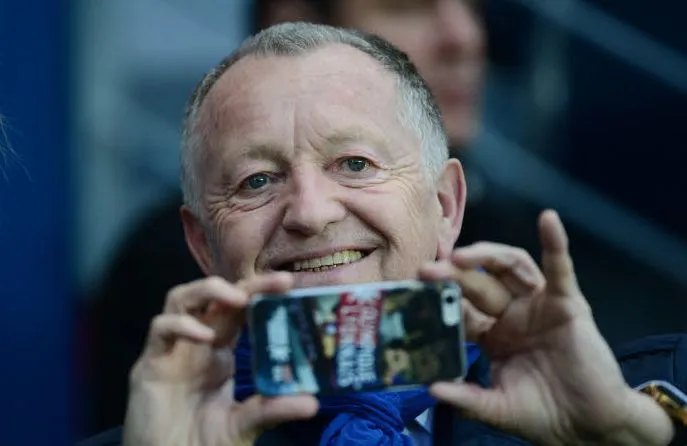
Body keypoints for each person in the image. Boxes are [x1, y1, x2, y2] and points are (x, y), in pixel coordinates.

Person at [86, 0, 686, 435]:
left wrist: (631, 432)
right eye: (258, 181)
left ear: (448, 206)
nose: (313, 213)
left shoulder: (632, 407)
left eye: (354, 163)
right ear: (200, 244)